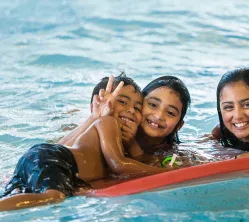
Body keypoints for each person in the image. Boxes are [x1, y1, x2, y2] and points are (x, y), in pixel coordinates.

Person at [0, 74, 168, 211]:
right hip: (54, 159)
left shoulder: (116, 139)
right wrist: (163, 173)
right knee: (53, 198)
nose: (131, 109)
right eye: (122, 102)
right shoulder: (108, 122)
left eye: (138, 108)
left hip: (51, 160)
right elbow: (120, 164)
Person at [126, 76, 194, 164]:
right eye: (153, 105)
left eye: (170, 113)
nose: (159, 116)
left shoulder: (175, 158)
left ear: (179, 125)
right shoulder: (117, 131)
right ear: (138, 104)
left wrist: (133, 146)